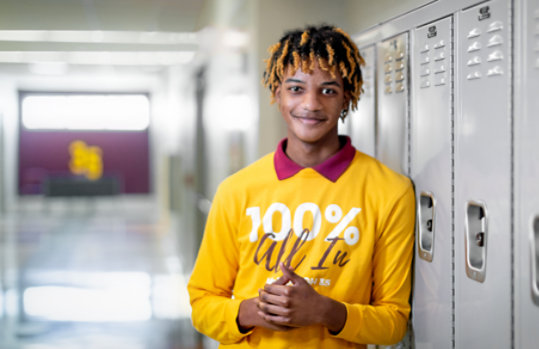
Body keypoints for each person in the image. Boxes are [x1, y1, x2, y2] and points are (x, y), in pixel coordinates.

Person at [187, 24, 415, 348]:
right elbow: (202, 304)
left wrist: (325, 311)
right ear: (277, 93)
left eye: (328, 90)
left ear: (347, 97)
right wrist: (253, 311)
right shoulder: (236, 190)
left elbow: (393, 323)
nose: (310, 104)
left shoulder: (390, 191)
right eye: (296, 88)